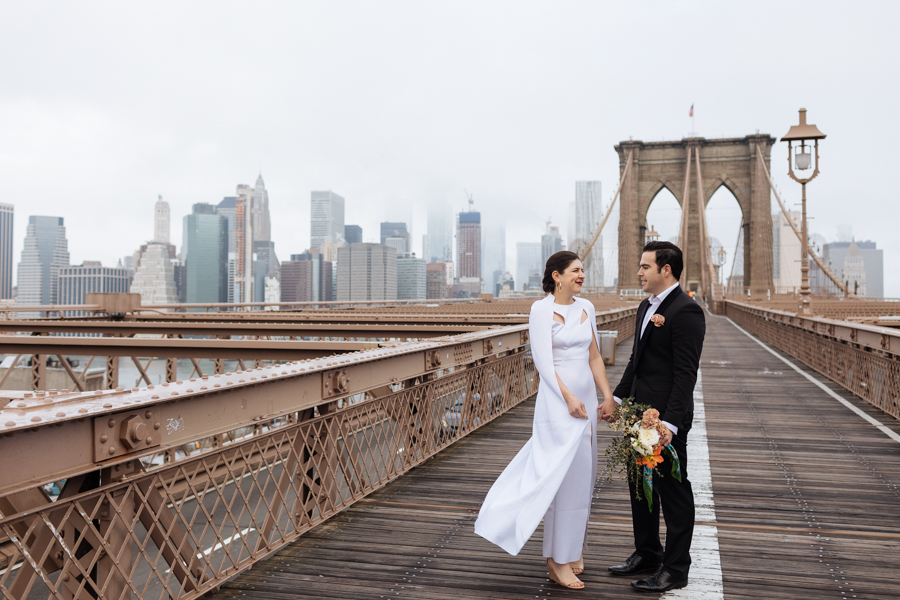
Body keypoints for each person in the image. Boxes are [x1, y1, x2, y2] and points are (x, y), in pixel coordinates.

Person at [474, 251, 616, 590]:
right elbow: (543, 362)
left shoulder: (587, 307)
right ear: (557, 275)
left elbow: (594, 355)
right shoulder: (540, 309)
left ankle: (570, 551)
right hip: (559, 402)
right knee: (560, 479)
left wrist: (607, 395)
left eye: (583, 270)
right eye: (575, 270)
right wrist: (568, 398)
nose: (582, 275)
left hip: (586, 401)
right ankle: (556, 560)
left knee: (583, 477)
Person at [607, 241, 705, 593]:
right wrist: (618, 399)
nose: (639, 272)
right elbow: (636, 360)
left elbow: (685, 375)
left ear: (666, 269)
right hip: (638, 414)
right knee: (640, 486)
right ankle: (648, 552)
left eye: (645, 266)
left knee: (673, 491)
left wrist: (669, 425)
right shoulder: (644, 307)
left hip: (664, 422)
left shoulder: (686, 311)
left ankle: (676, 568)